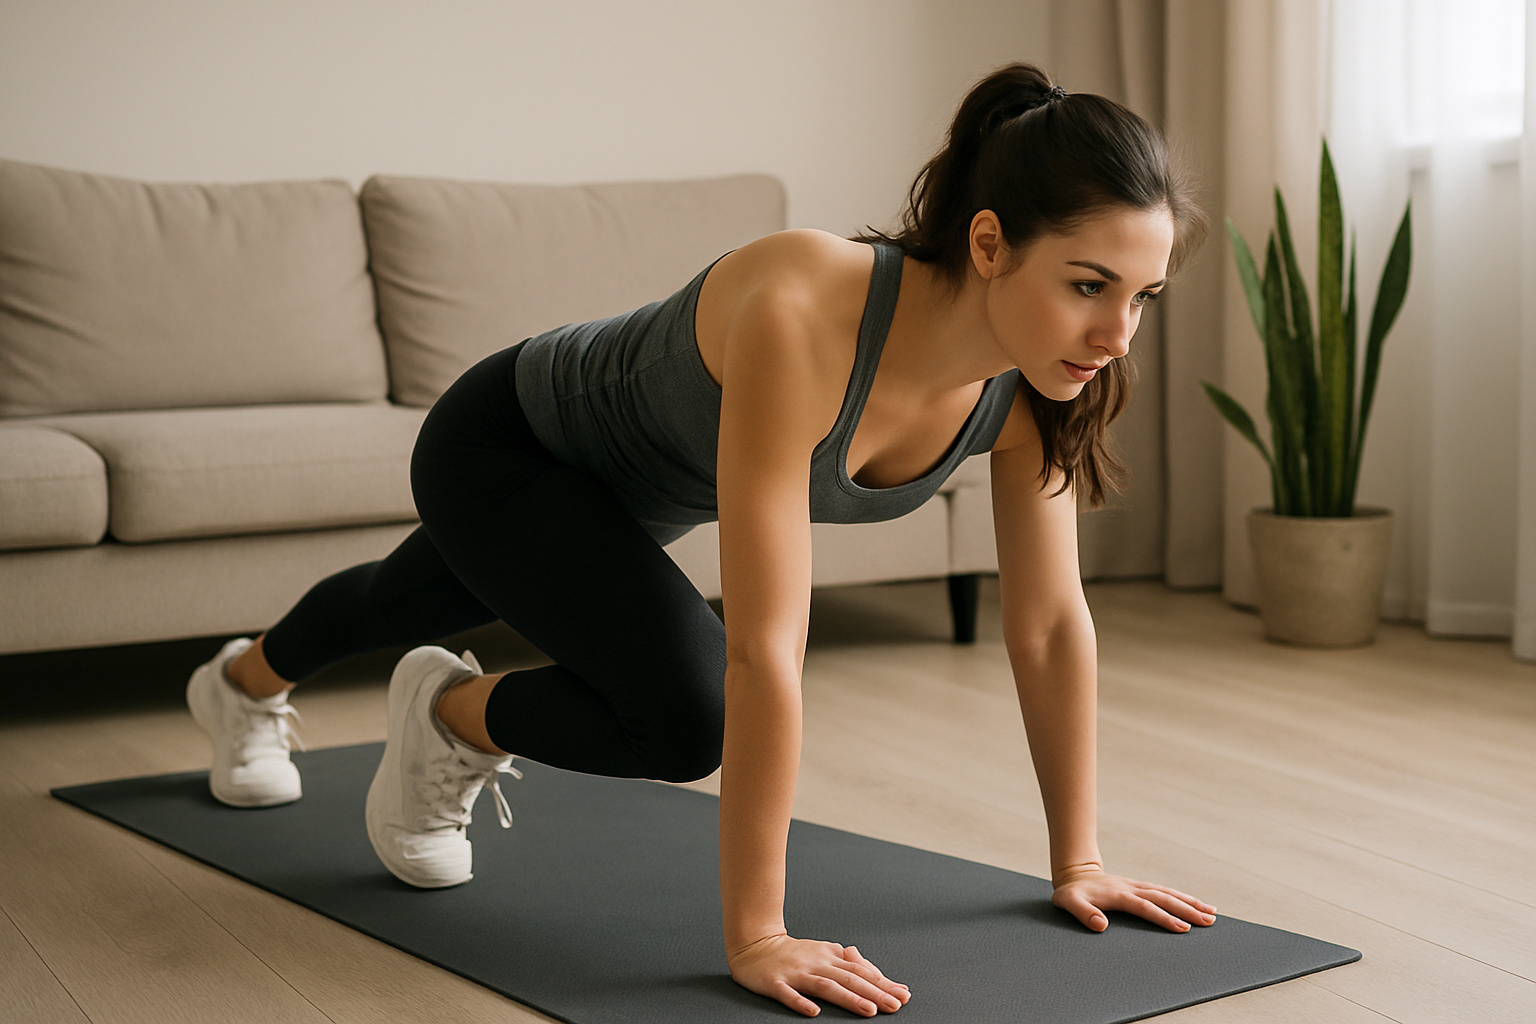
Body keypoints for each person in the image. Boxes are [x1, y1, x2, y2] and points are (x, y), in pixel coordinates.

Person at [184, 61, 1216, 1018]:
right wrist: (757, 933)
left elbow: (1048, 624)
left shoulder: (1043, 384)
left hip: (633, 501)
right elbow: (766, 647)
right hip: (505, 444)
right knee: (678, 713)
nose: (1117, 335)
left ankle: (325, 697)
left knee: (412, 599)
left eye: (1143, 298)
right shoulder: (804, 303)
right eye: (1089, 285)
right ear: (989, 244)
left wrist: (1078, 861)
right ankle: (347, 699)